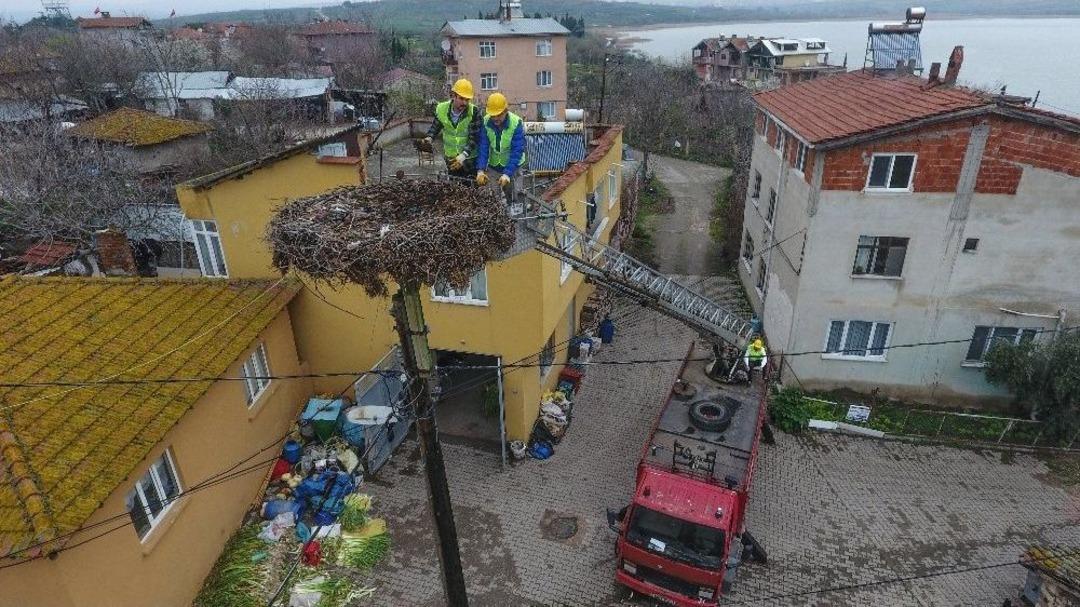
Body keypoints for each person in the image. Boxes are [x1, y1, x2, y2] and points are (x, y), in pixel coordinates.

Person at [424, 78, 481, 180]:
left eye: (467, 100)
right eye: (461, 98)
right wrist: (429, 138)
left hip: (469, 162)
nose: (464, 103)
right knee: (454, 188)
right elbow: (435, 127)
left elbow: (474, 137)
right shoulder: (442, 109)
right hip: (451, 159)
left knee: (471, 190)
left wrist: (463, 155)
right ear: (453, 96)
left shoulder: (474, 112)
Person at [475, 92, 526, 201]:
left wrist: (507, 173)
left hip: (513, 167)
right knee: (493, 199)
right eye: (493, 115)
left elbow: (517, 151)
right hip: (494, 167)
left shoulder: (516, 123)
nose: (495, 118)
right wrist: (480, 170)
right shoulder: (485, 122)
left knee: (514, 198)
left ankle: (514, 216)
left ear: (506, 111)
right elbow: (483, 147)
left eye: (499, 115)